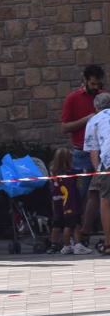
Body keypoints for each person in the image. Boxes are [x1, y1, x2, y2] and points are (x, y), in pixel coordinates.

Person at [63, 65, 105, 241]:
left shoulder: (104, 98)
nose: (96, 88)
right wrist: (87, 120)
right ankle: (76, 234)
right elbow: (65, 127)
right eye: (93, 84)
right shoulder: (73, 98)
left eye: (98, 84)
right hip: (81, 152)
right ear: (85, 80)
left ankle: (91, 231)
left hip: (102, 152)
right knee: (80, 195)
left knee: (99, 193)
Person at [47, 148, 91, 255]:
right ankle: (69, 246)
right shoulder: (70, 172)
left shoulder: (53, 172)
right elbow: (83, 171)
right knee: (72, 224)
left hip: (57, 201)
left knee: (58, 223)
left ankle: (57, 244)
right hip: (70, 202)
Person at [84, 92, 110, 255]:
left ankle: (108, 242)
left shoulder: (94, 120)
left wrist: (98, 171)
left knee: (106, 201)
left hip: (108, 161)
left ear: (96, 107)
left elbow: (93, 151)